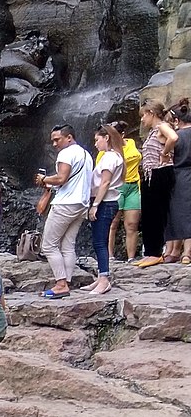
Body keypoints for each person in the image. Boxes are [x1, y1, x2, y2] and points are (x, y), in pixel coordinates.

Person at [33, 123, 93, 298]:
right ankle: (66, 283)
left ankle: (60, 284)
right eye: (52, 140)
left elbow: (61, 177)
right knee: (67, 245)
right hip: (81, 204)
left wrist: (44, 178)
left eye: (57, 139)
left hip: (65, 204)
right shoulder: (86, 154)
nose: (54, 144)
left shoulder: (66, 153)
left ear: (69, 137)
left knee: (49, 245)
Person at [136, 100, 179, 267]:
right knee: (148, 213)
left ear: (151, 113)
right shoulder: (154, 131)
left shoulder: (162, 126)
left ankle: (155, 253)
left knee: (156, 213)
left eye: (143, 116)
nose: (141, 120)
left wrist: (164, 153)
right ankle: (150, 252)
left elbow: (173, 137)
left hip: (160, 173)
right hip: (151, 174)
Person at [85, 125, 123, 294]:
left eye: (97, 140)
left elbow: (105, 183)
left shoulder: (109, 157)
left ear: (106, 138)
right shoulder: (113, 156)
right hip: (106, 202)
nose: (95, 144)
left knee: (100, 242)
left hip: (105, 203)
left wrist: (95, 205)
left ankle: (104, 279)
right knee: (98, 241)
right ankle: (101, 276)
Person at [106, 121, 140, 261]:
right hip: (116, 186)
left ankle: (131, 257)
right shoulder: (106, 150)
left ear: (122, 135)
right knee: (113, 223)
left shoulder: (131, 143)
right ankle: (109, 256)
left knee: (132, 224)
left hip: (133, 186)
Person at [166, 100, 191, 265]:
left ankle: (183, 252)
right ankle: (185, 252)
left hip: (180, 175)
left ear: (176, 121)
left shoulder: (175, 137)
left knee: (181, 214)